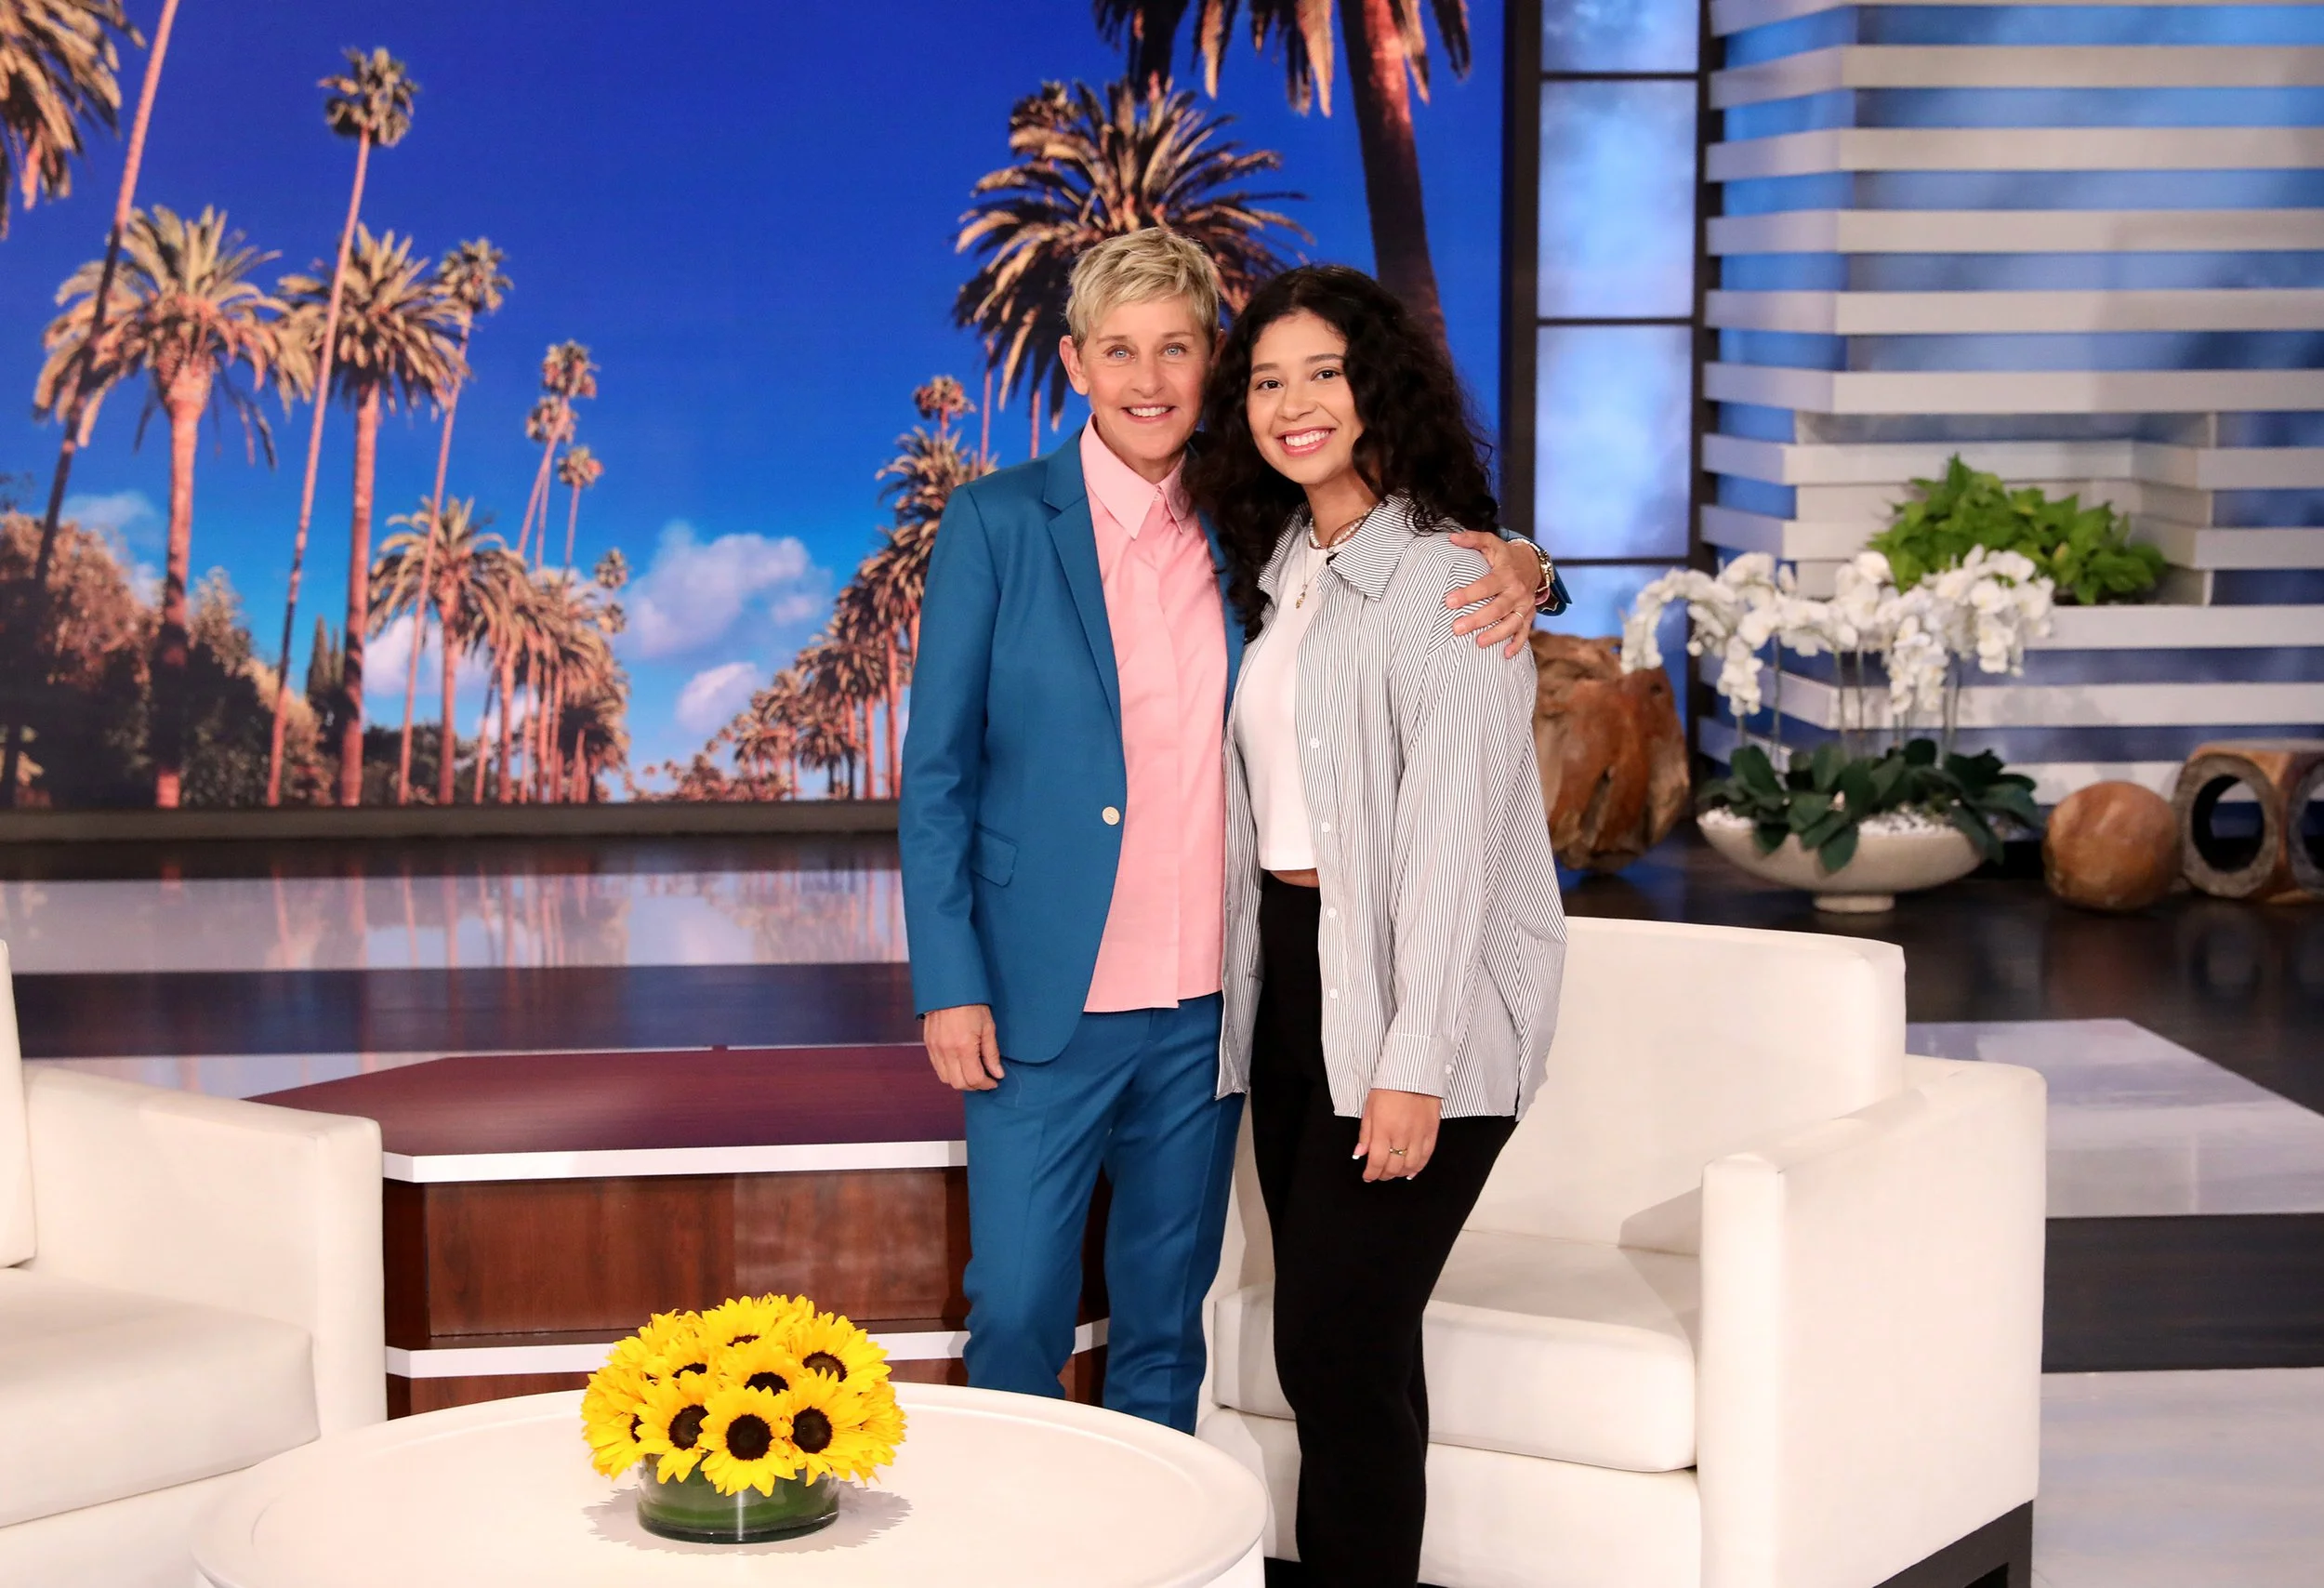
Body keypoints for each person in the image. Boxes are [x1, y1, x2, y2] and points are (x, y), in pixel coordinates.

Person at [899, 230, 1557, 1434]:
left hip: (1211, 1016)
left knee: (1164, 1322)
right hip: (1044, 1004)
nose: (1149, 380)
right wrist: (949, 980)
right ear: (1074, 363)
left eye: (1179, 350)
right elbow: (935, 775)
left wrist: (1523, 560)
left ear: (1213, 363)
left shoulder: (1252, 519)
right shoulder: (996, 525)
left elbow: (1413, 551)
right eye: (1119, 352)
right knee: (1020, 1310)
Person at [1189, 263, 1568, 1585]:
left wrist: (1414, 1068)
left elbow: (1456, 850)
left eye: (1323, 375)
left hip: (1421, 1005)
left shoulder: (1450, 582)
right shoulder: (1292, 561)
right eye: (1266, 381)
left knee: (1337, 1341)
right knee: (1351, 1344)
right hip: (1296, 982)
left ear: (1377, 388)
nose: (1293, 404)